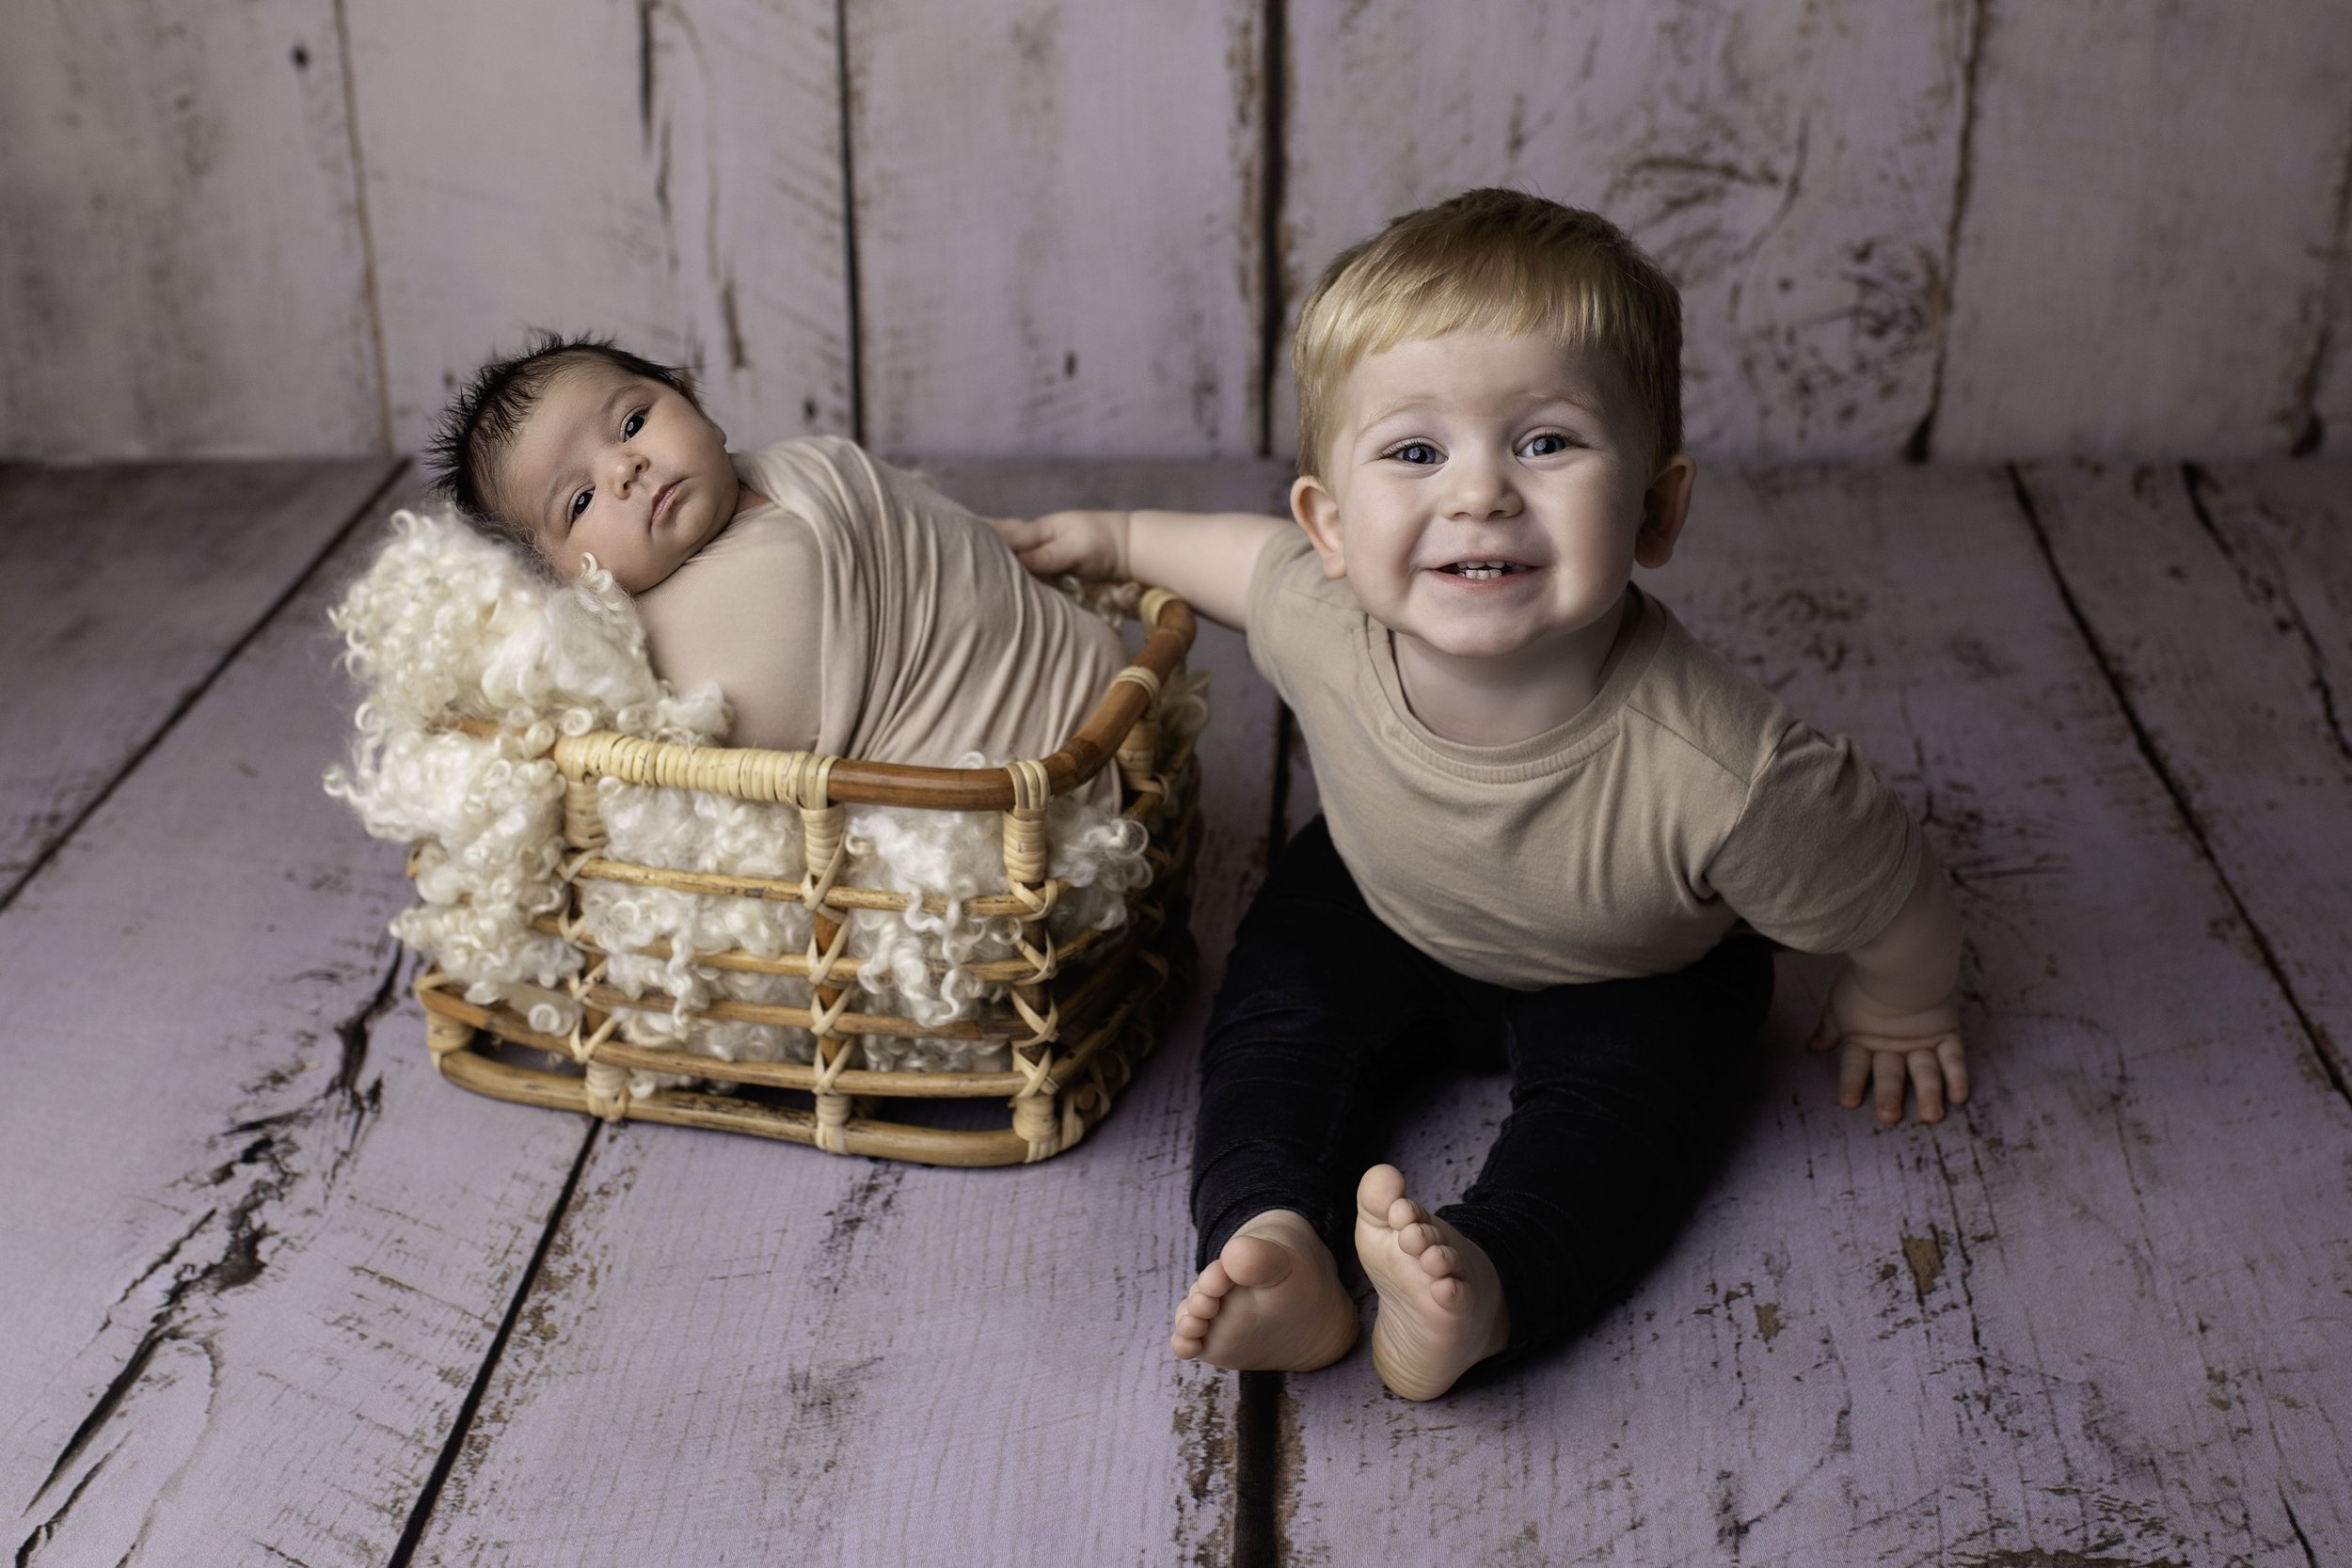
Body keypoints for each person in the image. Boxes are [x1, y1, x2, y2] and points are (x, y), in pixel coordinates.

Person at [991, 189, 1968, 1401]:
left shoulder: (1729, 773)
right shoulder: (1326, 617)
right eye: (1416, 450)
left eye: (1545, 441)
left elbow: (1888, 881)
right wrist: (1114, 531)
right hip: (1379, 899)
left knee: (1628, 1128)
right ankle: (1274, 1241)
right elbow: (1241, 562)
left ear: (1657, 508)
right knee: (1274, 1031)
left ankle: (1482, 1284)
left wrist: (1901, 1004)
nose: (1479, 492)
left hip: (1631, 967)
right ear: (1332, 525)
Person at [427, 334, 1127, 782]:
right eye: (578, 502)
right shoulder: (636, 661)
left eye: (633, 422)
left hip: (1087, 700)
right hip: (984, 816)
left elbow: (940, 538)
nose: (625, 469)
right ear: (561, 580)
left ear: (695, 401)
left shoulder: (820, 463)